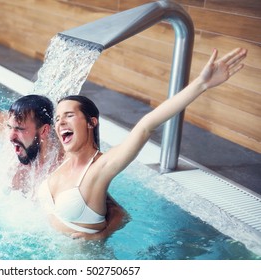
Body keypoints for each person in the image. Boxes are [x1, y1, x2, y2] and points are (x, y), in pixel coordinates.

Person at [0, 8, 128, 239]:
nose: (10, 136)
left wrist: (101, 235)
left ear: (44, 130)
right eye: (10, 127)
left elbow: (118, 213)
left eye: (19, 129)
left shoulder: (67, 162)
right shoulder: (10, 137)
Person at [39, 47, 247, 237]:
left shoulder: (100, 167)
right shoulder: (64, 158)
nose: (60, 122)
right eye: (57, 118)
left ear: (91, 122)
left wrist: (200, 84)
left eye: (68, 115)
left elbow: (147, 125)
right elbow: (117, 211)